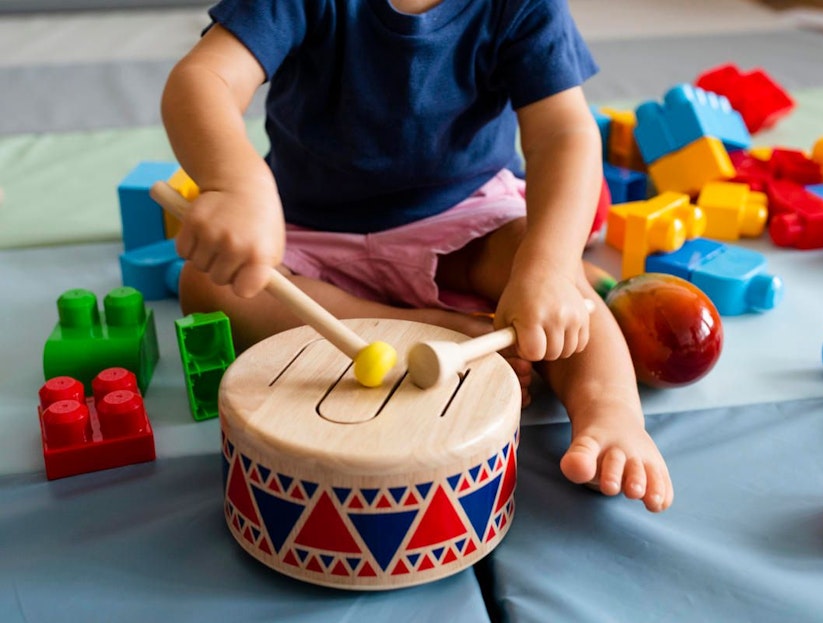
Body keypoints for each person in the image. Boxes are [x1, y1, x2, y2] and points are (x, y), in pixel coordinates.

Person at [161, 0, 673, 513]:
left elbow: (563, 134)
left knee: (554, 281)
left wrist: (551, 265)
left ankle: (610, 414)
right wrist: (237, 185)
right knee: (210, 285)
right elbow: (204, 79)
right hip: (307, 227)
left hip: (464, 217)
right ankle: (429, 330)